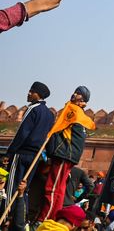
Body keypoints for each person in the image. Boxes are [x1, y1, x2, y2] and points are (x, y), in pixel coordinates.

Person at [4, 81, 55, 231]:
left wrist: (10, 151)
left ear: (38, 95)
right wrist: (50, 154)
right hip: (35, 156)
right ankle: (21, 219)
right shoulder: (49, 114)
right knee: (24, 189)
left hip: (22, 153)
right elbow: (50, 136)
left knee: (12, 186)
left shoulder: (33, 109)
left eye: (31, 91)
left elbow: (23, 132)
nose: (28, 93)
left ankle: (6, 218)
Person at [39, 86, 91, 222]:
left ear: (83, 100)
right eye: (75, 91)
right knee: (59, 189)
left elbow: (59, 129)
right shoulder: (78, 113)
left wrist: (49, 139)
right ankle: (52, 216)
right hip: (66, 155)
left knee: (52, 188)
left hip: (64, 154)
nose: (74, 94)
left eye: (78, 93)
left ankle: (45, 218)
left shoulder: (74, 111)